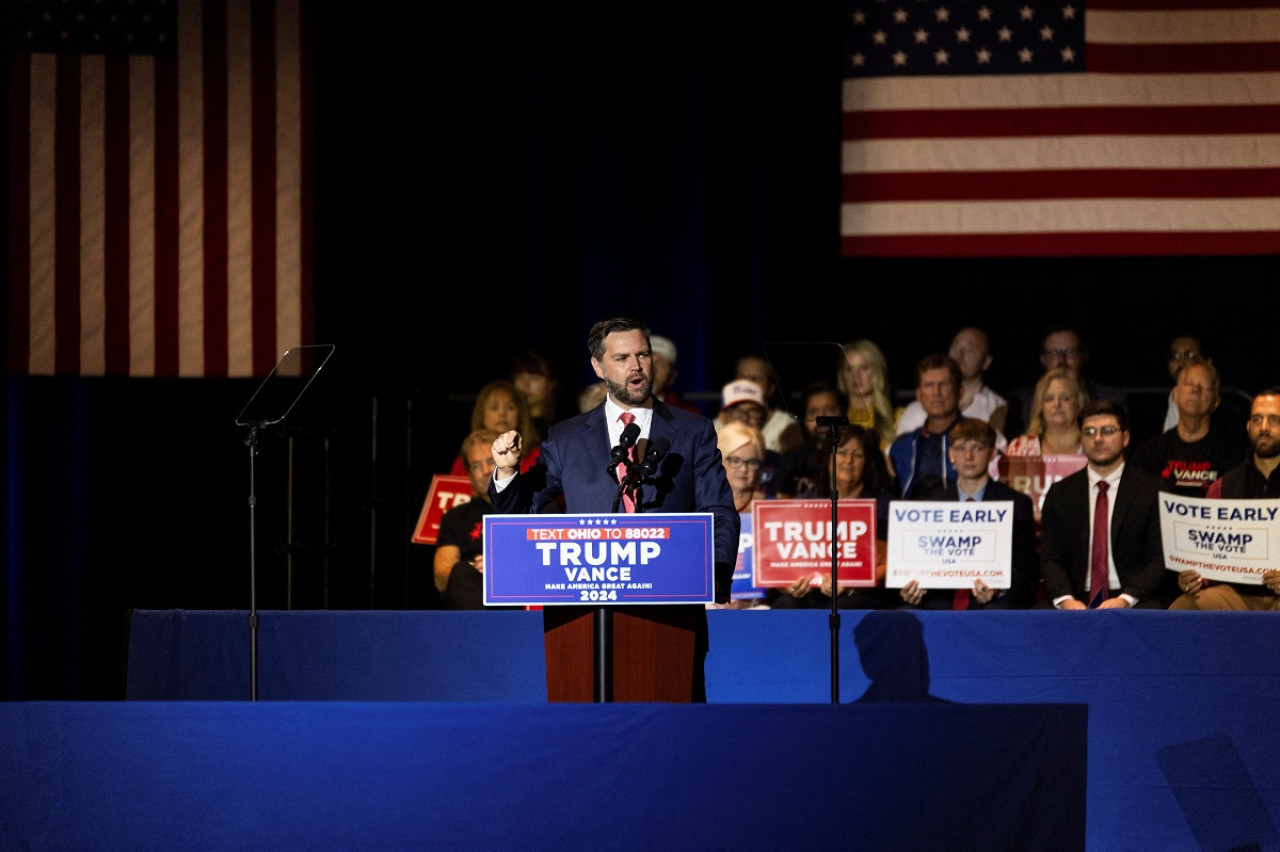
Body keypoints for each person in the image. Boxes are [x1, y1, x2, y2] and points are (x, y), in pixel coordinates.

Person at [488, 316, 740, 701]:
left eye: (643, 354)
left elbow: (719, 510)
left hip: (670, 616)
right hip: (581, 620)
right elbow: (522, 513)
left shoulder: (693, 431)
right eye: (622, 358)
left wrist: (715, 573)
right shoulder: (567, 438)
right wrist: (507, 472)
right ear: (598, 366)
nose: (636, 367)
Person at [1039, 400, 1172, 609]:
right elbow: (1051, 559)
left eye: (1107, 431)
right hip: (1074, 599)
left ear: (1125, 437)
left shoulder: (1153, 490)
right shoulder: (1060, 493)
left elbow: (1160, 558)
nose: (1098, 439)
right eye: (1089, 432)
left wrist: (1125, 600)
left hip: (1134, 598)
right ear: (1081, 439)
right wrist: (1065, 600)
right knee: (1033, 624)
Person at [899, 418, 1037, 610]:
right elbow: (921, 562)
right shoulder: (932, 504)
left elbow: (1026, 566)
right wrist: (914, 586)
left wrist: (997, 588)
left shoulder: (1016, 503)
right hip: (943, 598)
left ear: (992, 454)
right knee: (905, 614)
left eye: (978, 448)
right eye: (961, 448)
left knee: (994, 613)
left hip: (994, 600)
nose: (969, 456)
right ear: (951, 455)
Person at [1170, 389, 1280, 610]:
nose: (1264, 428)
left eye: (1274, 420)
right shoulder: (1223, 487)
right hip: (1236, 594)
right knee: (1184, 607)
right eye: (1257, 419)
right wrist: (1194, 578)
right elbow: (1210, 556)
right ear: (1248, 427)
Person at [772, 423, 894, 610]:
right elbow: (783, 561)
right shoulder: (805, 502)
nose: (849, 461)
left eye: (858, 455)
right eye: (842, 452)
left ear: (867, 462)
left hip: (863, 594)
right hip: (814, 592)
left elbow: (892, 560)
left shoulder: (883, 505)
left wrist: (852, 584)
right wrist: (791, 584)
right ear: (827, 458)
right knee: (786, 603)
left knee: (842, 605)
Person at [1130, 360, 1249, 497]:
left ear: (1215, 402)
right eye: (1189, 384)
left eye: (1204, 387)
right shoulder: (1149, 452)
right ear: (1175, 394)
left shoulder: (1232, 456)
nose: (1195, 390)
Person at [434, 429, 518, 610]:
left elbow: (551, 568)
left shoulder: (537, 507)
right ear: (469, 475)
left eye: (491, 462)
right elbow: (442, 577)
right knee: (461, 571)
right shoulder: (455, 518)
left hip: (521, 599)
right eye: (476, 466)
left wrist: (498, 569)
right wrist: (479, 573)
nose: (486, 471)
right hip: (472, 600)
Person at [1008, 327, 1126, 436]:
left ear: (1084, 356)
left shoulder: (1111, 399)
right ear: (1043, 359)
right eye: (1053, 354)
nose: (1061, 361)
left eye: (1070, 352)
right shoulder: (1022, 401)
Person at [896, 327, 1008, 436]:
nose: (959, 354)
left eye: (970, 350)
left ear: (986, 362)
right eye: (955, 347)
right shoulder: (918, 407)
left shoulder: (996, 407)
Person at [886, 354, 964, 500]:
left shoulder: (980, 441)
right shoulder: (902, 447)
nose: (936, 393)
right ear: (919, 395)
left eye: (944, 384)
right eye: (929, 385)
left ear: (960, 392)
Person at [715, 422, 770, 609]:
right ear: (720, 460)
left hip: (760, 603)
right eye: (735, 460)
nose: (743, 469)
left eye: (751, 462)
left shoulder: (771, 508)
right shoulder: (699, 505)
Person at [771, 380, 849, 499]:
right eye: (814, 412)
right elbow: (774, 499)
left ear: (842, 415)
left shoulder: (855, 456)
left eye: (830, 410)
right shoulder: (791, 460)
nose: (822, 417)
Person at [452, 379, 541, 475]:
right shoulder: (467, 461)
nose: (502, 413)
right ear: (482, 417)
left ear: (521, 417)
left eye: (510, 407)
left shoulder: (539, 457)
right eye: (494, 408)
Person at [1004, 368, 1089, 457]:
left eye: (1065, 398)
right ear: (1041, 406)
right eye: (1049, 399)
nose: (1057, 404)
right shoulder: (1021, 448)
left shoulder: (1092, 446)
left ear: (1079, 404)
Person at [733, 354, 804, 454]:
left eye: (757, 378)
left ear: (771, 388)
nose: (749, 383)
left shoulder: (786, 424)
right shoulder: (719, 424)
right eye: (743, 376)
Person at [839, 339, 899, 450]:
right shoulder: (836, 421)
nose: (856, 376)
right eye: (850, 369)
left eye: (864, 368)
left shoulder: (897, 418)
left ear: (877, 371)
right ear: (842, 375)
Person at [510, 350, 560, 445]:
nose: (525, 384)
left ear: (550, 385)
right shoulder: (507, 425)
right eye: (520, 377)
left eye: (534, 378)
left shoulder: (560, 429)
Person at [649, 334, 700, 414]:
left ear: (672, 376)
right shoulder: (623, 409)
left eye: (661, 364)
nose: (652, 369)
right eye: (648, 362)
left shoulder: (687, 415)